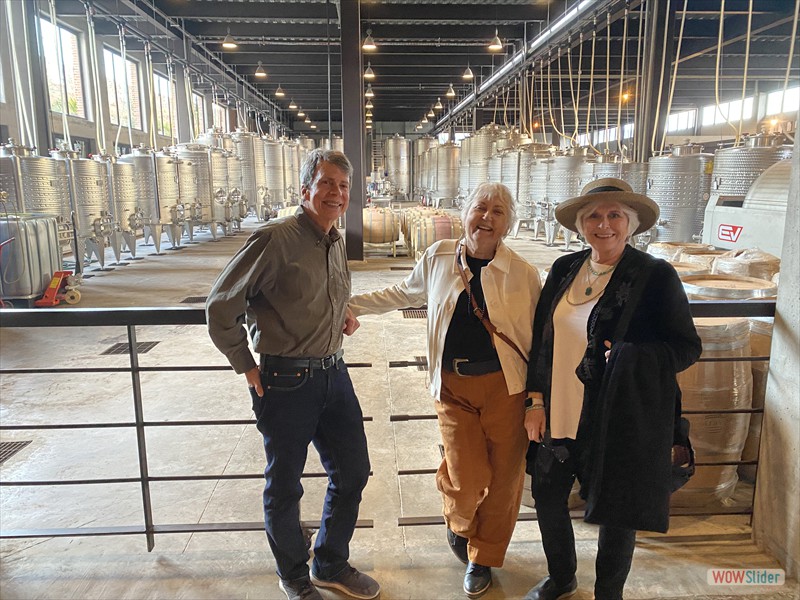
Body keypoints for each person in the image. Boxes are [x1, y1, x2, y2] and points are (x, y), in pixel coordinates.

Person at [349, 182, 541, 598]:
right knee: (467, 475)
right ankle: (459, 521)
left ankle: (482, 558)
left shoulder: (524, 274)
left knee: (505, 481)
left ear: (508, 224)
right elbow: (404, 292)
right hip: (452, 387)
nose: (486, 218)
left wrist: (538, 399)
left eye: (498, 212)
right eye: (480, 208)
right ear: (465, 213)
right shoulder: (438, 256)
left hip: (507, 389)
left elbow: (540, 342)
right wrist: (351, 304)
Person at [206, 149, 379, 600]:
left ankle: (329, 561)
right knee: (285, 485)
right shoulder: (275, 238)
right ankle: (294, 575)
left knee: (354, 471)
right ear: (305, 190)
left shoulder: (336, 239)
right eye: (326, 184)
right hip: (285, 382)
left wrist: (340, 315)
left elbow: (322, 292)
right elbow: (220, 307)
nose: (336, 193)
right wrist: (245, 364)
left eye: (343, 186)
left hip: (333, 373)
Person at [522, 178, 702, 600]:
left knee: (616, 515)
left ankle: (609, 592)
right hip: (559, 411)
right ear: (581, 225)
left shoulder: (655, 276)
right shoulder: (564, 268)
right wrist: (535, 399)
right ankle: (563, 577)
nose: (604, 224)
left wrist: (630, 356)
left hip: (617, 417)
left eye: (614, 215)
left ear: (632, 223)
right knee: (548, 499)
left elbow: (686, 347)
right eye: (594, 216)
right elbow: (540, 340)